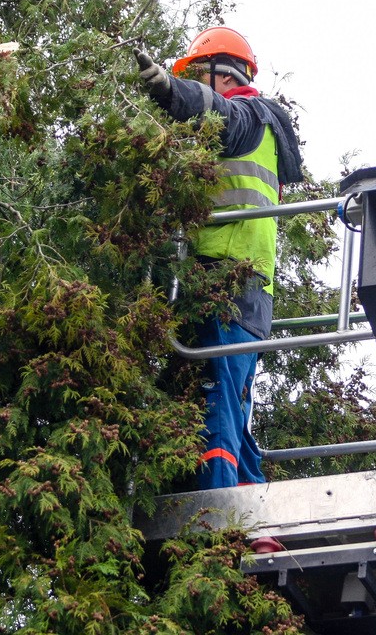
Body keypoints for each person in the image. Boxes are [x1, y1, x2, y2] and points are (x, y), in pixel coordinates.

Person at [134, 27, 303, 489]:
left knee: (214, 398)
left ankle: (218, 511)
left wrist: (170, 90)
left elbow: (216, 113)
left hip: (223, 280)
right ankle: (253, 505)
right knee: (233, 400)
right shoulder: (259, 133)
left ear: (222, 75)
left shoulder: (249, 116)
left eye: (199, 76)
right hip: (246, 289)